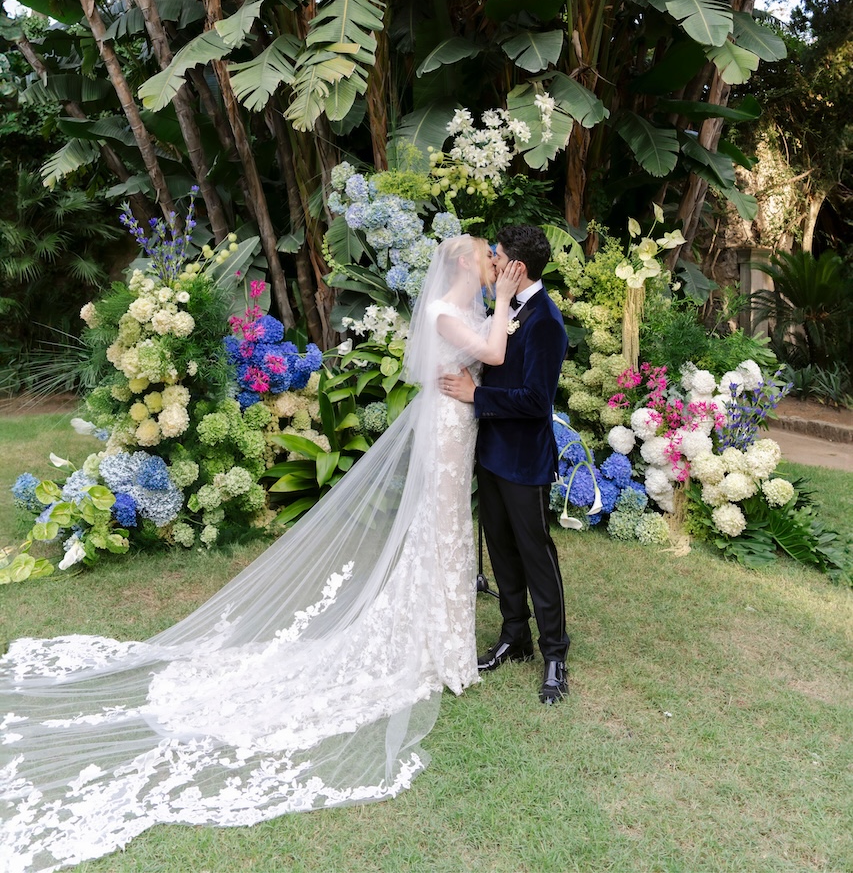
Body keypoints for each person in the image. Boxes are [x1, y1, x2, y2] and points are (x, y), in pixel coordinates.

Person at [0, 236, 523, 873]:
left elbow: (493, 356)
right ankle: (434, 648)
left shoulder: (464, 312)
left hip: (462, 421)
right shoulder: (446, 309)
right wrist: (499, 304)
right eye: (484, 256)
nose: (491, 261)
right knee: (440, 530)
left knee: (449, 534)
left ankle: (442, 641)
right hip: (446, 427)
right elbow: (493, 350)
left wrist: (498, 319)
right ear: (467, 265)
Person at [439, 225, 570, 705]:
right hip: (490, 452)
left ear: (517, 267)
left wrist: (478, 395)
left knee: (536, 554)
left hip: (524, 459)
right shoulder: (500, 309)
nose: (490, 262)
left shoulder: (546, 322)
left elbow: (537, 401)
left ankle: (555, 653)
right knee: (500, 550)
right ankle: (515, 636)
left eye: (496, 256)